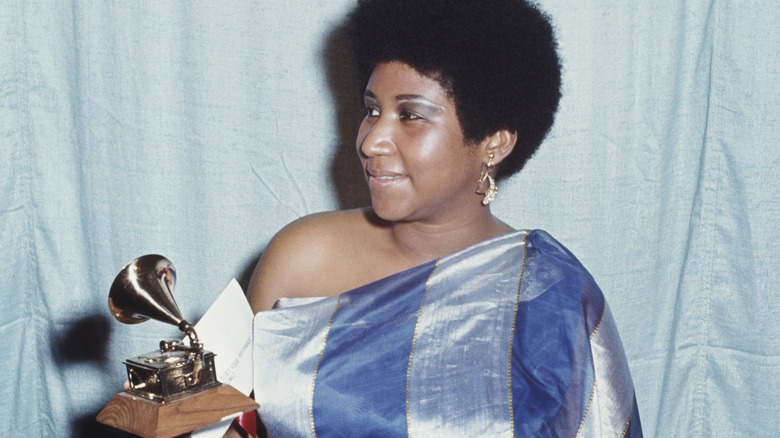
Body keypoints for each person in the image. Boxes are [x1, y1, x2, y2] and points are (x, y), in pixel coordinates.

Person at [233, 0, 643, 436]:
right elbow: (230, 423)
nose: (372, 141)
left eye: (409, 115)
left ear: (494, 142)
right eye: (372, 110)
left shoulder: (548, 295)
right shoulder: (302, 259)